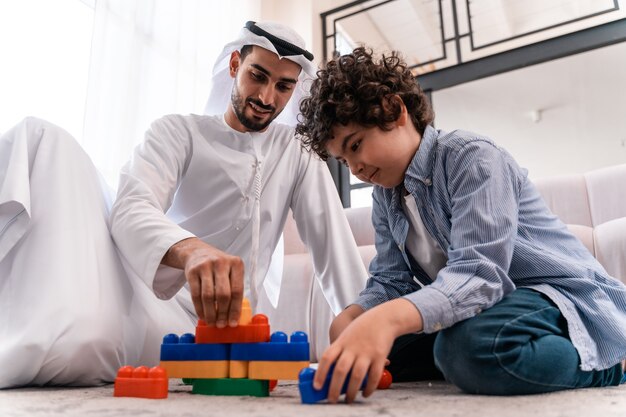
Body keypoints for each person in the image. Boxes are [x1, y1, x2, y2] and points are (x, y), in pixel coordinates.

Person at [0, 21, 367, 388]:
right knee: (44, 138)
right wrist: (190, 251)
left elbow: (334, 248)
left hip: (224, 333)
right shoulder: (178, 132)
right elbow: (131, 208)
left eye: (283, 86)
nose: (267, 97)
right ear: (235, 65)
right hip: (154, 302)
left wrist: (367, 331)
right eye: (258, 75)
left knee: (76, 351)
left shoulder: (298, 152)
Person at [295, 47, 626, 402]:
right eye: (344, 161)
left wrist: (386, 320)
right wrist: (356, 316)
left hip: (555, 297)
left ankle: (608, 365)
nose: (356, 168)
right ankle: (471, 364)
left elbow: (480, 275)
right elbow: (391, 280)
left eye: (356, 145)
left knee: (467, 347)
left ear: (394, 110)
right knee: (395, 351)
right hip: (490, 310)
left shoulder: (472, 156)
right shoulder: (385, 197)